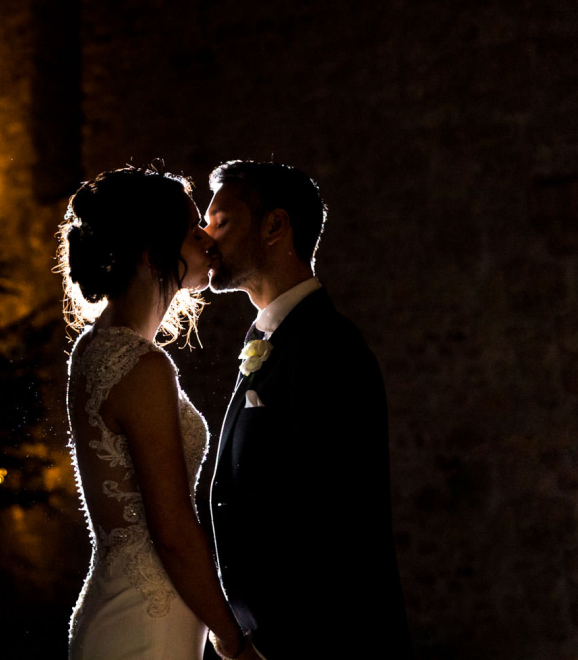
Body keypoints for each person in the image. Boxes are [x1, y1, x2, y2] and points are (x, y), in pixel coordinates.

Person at [203, 160, 413, 657]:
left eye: (221, 222)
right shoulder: (272, 336)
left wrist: (274, 646)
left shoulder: (328, 346)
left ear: (274, 226)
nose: (206, 239)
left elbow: (336, 521)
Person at [58, 166, 262, 660]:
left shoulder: (94, 347)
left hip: (121, 606)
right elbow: (172, 531)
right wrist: (232, 639)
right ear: (153, 251)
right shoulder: (142, 366)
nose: (208, 239)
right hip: (147, 624)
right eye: (193, 231)